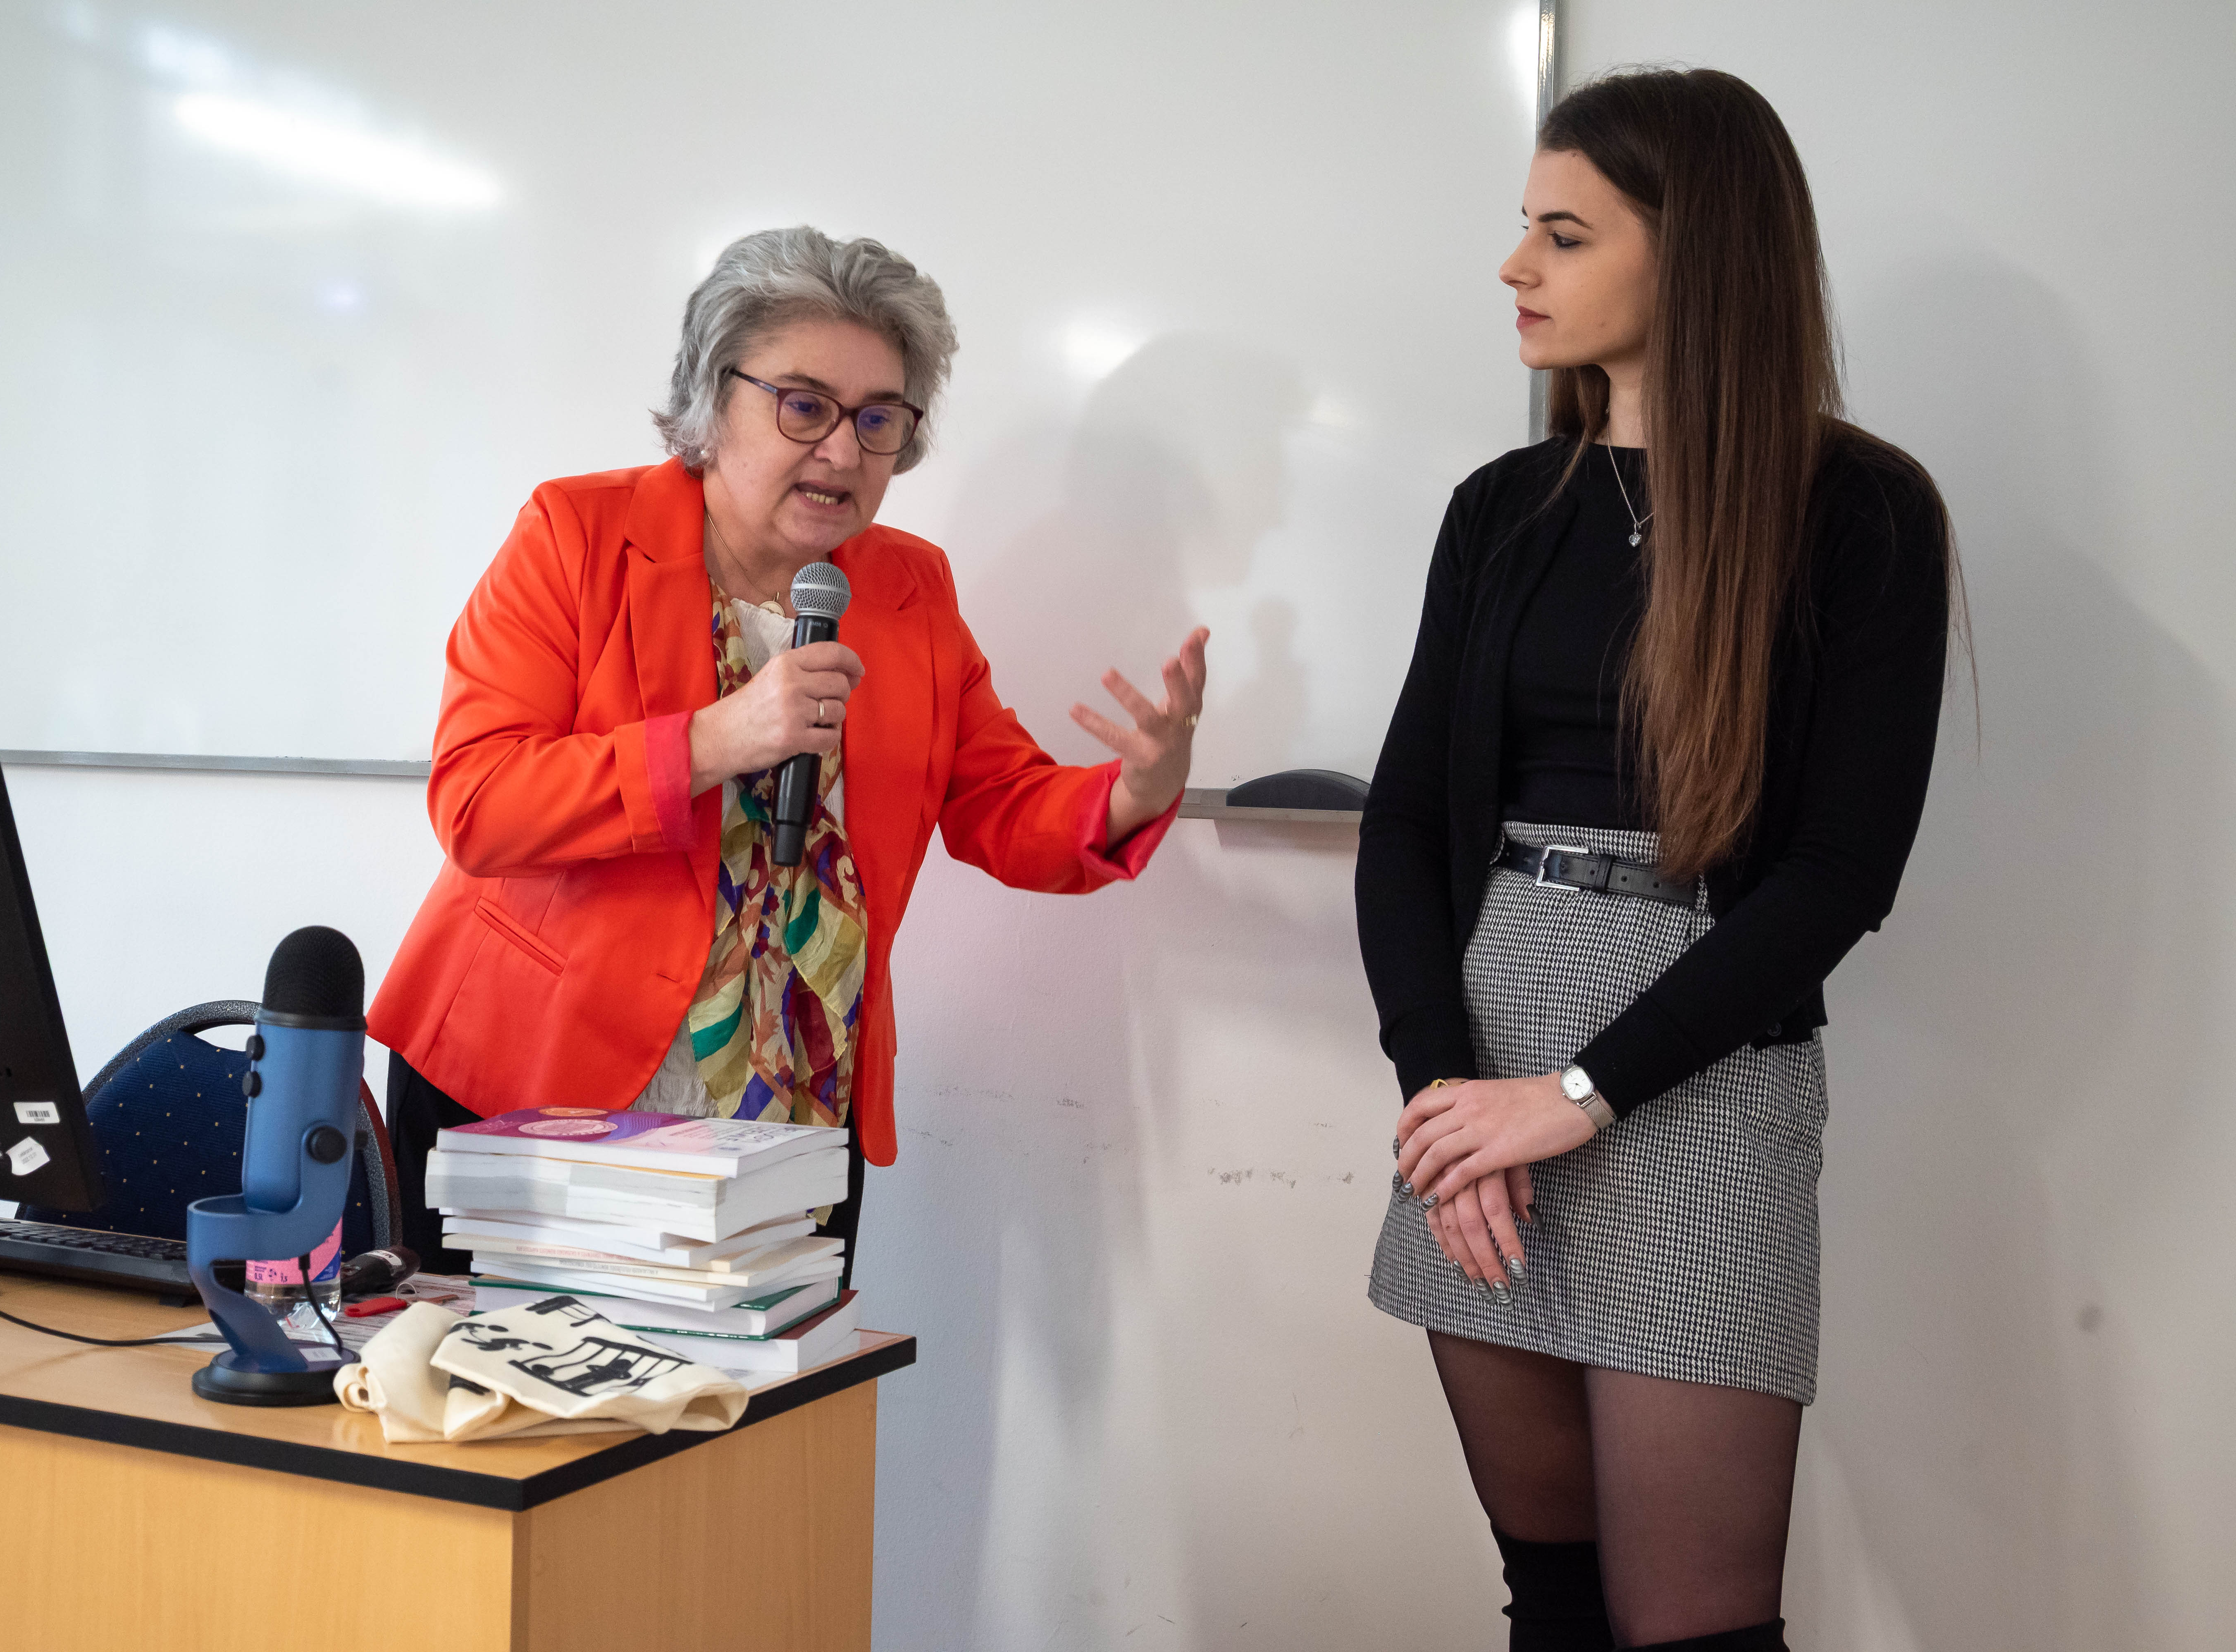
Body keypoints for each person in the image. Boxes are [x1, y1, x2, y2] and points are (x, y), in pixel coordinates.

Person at [1357, 71, 1959, 1652]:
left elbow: (1836, 872)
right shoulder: (1500, 510)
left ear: (1696, 255)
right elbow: (1405, 821)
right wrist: (1446, 1094)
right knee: (1552, 1600)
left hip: (1696, 1085)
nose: (1514, 266)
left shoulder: (1861, 512)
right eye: (1524, 228)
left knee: (1693, 1627)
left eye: (1563, 235)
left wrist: (1575, 1095)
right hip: (1480, 1076)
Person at [370, 227, 1207, 1281]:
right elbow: (481, 804)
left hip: (792, 1108)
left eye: (879, 419)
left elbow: (1001, 801)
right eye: (804, 406)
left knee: (764, 1393)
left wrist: (1131, 794)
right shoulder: (575, 534)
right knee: (520, 1389)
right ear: (712, 397)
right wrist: (717, 738)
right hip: (538, 1086)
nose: (844, 453)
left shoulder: (907, 589)